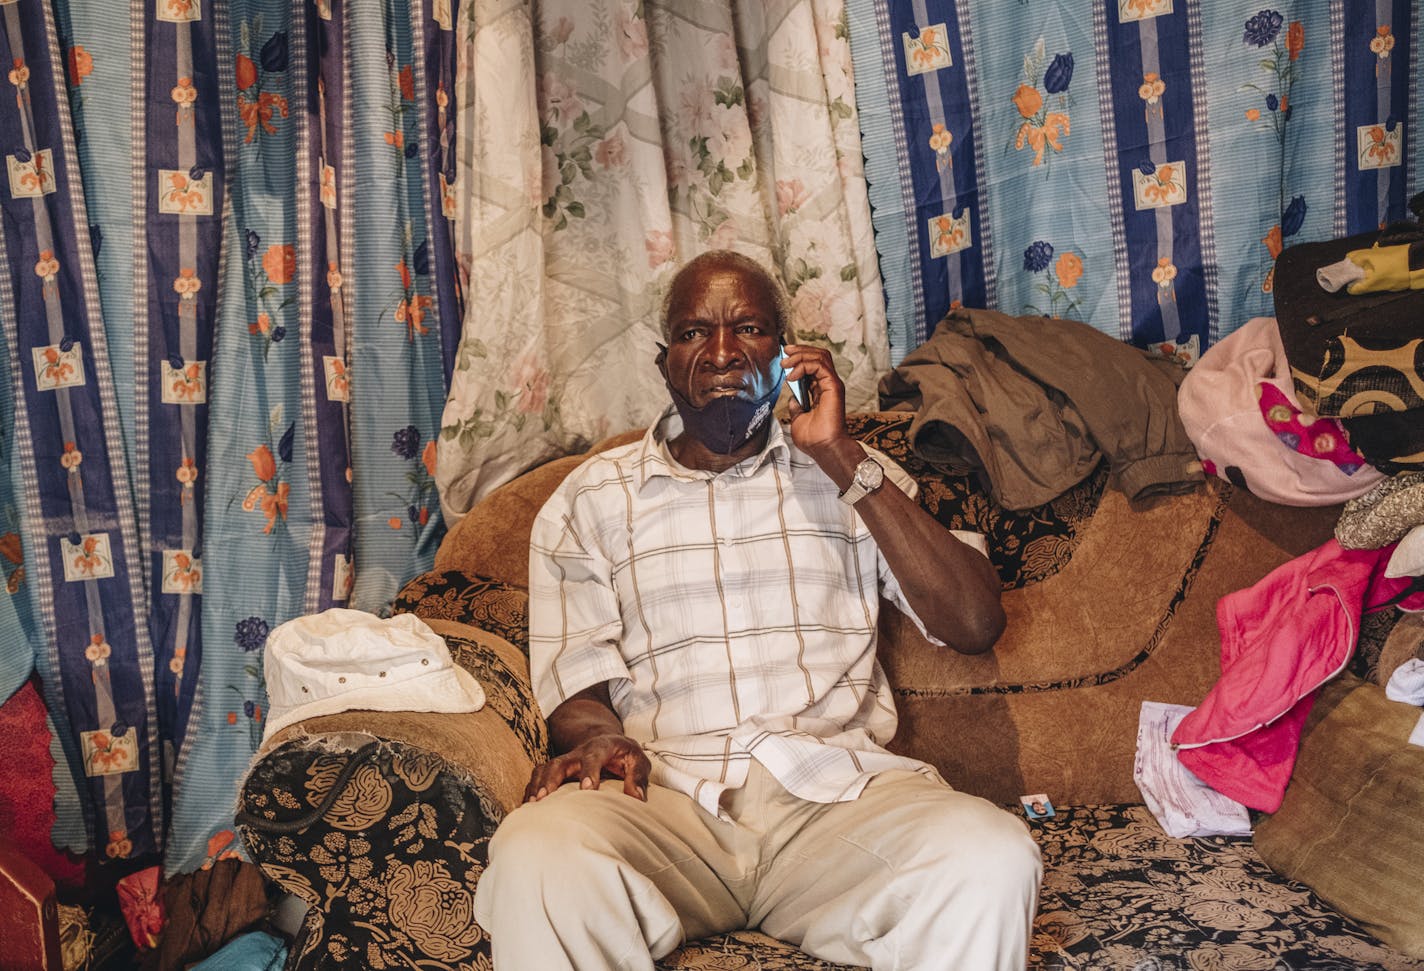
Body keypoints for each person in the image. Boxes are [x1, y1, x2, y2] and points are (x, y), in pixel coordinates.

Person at [472, 250, 1042, 970]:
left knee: (992, 857)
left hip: (834, 802)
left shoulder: (852, 471)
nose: (719, 352)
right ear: (663, 362)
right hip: (665, 800)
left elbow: (974, 622)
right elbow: (576, 678)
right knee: (535, 853)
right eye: (692, 333)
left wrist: (839, 453)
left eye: (748, 328)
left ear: (787, 355)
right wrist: (597, 736)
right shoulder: (588, 501)